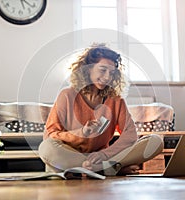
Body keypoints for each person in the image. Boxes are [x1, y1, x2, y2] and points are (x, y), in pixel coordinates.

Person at [38, 43, 163, 175]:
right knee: (46, 148)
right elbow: (50, 135)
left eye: (112, 73)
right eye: (103, 70)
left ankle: (94, 168)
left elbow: (130, 135)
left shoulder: (116, 100)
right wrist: (82, 132)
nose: (107, 77)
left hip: (102, 157)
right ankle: (105, 169)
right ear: (88, 69)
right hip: (70, 155)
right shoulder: (67, 95)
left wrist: (104, 154)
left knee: (155, 142)